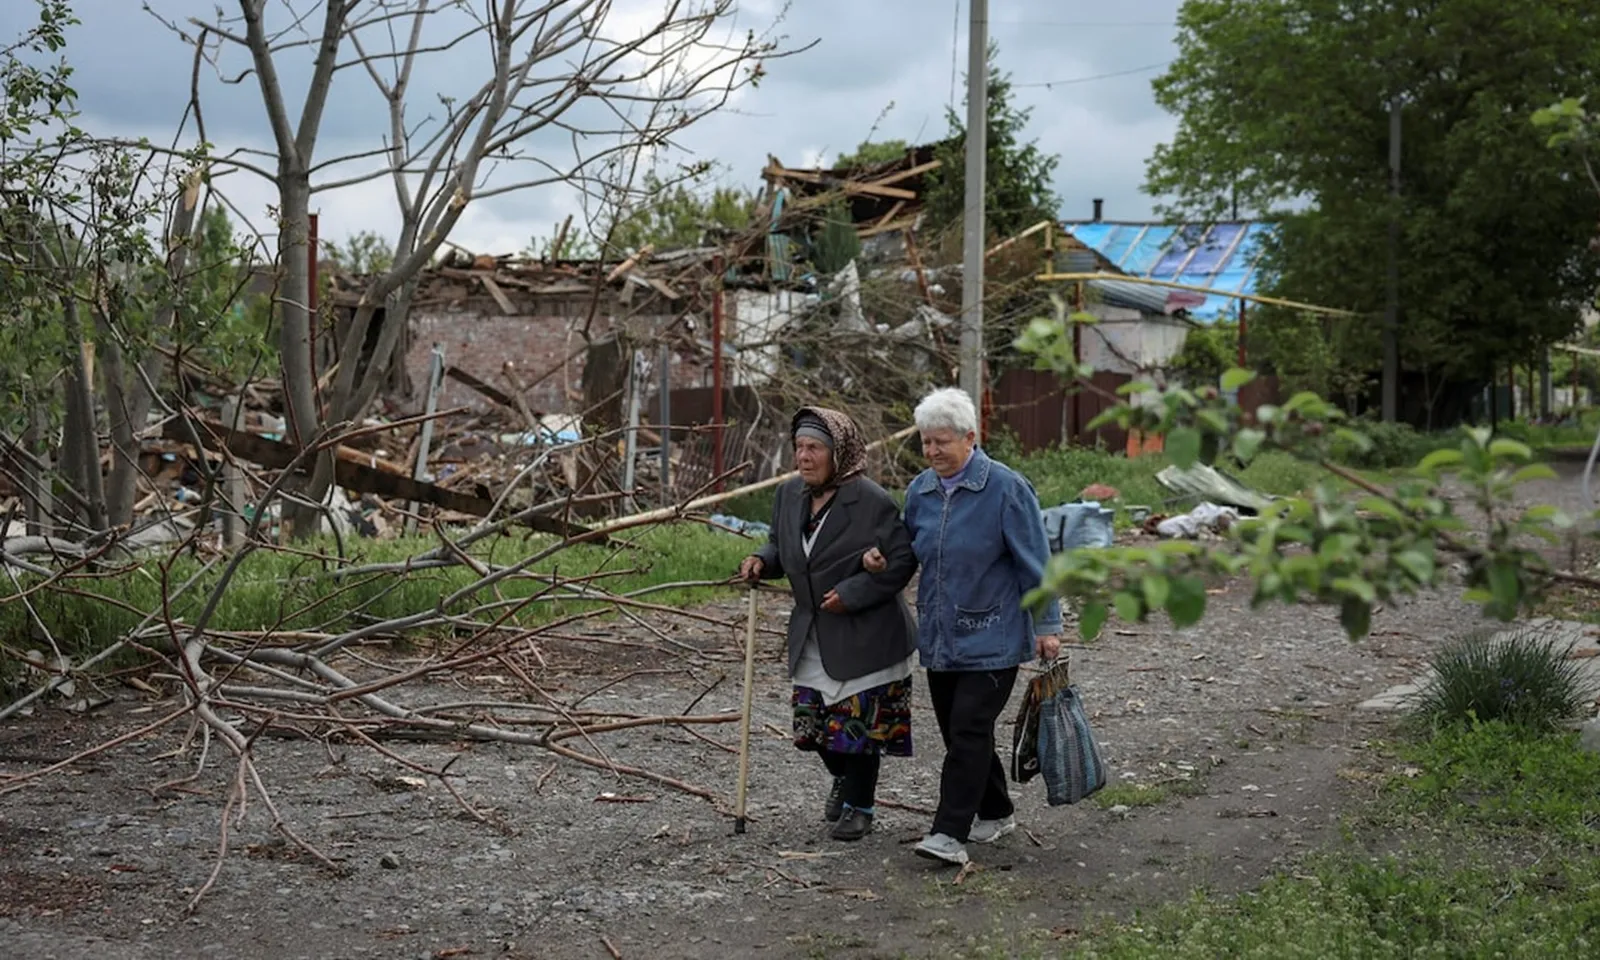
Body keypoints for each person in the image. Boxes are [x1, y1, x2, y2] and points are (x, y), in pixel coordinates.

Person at [869, 386, 1062, 866]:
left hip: (994, 634)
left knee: (970, 728)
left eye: (942, 442)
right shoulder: (921, 491)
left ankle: (948, 833)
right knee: (961, 735)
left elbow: (1036, 563)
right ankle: (995, 811)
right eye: (926, 442)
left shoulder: (1006, 489)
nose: (932, 451)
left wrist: (1047, 625)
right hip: (941, 635)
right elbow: (908, 550)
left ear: (970, 438)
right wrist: (879, 561)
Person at [737, 406, 920, 841]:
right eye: (799, 447)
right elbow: (782, 545)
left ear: (840, 452)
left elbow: (902, 560)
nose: (804, 457)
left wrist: (854, 593)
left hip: (867, 635)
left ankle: (861, 806)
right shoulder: (789, 495)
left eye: (815, 448)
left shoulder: (871, 501)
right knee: (812, 729)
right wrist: (762, 559)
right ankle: (844, 779)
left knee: (857, 728)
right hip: (814, 630)